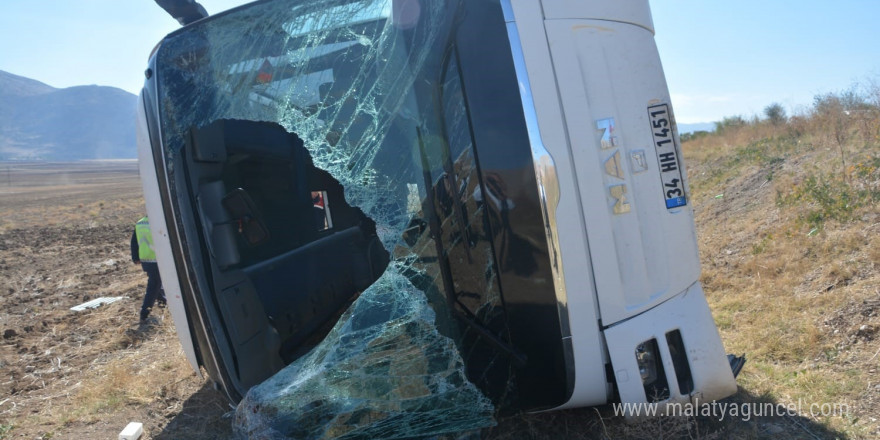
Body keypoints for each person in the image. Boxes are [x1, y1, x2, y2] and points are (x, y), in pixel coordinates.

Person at [131, 216, 166, 322]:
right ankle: (144, 313)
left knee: (156, 282)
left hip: (146, 259)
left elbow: (134, 241)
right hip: (156, 259)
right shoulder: (159, 221)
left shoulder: (140, 223)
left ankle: (163, 303)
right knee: (154, 284)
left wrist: (135, 257)